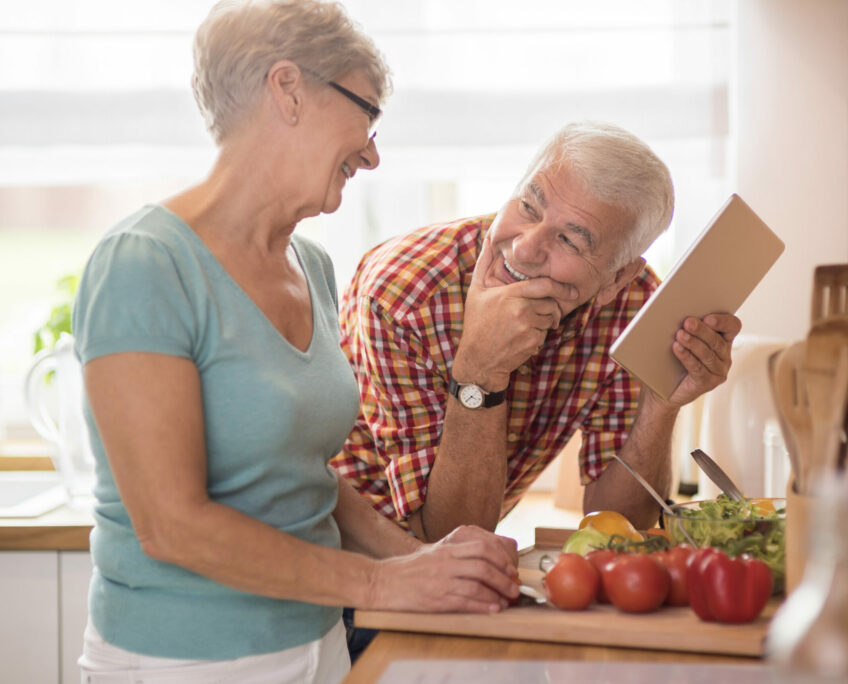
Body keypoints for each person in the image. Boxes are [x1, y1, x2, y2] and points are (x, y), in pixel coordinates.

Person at [71, 2, 519, 682]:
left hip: (316, 643)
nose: (373, 151)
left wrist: (412, 561)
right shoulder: (145, 263)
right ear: (288, 90)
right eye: (366, 113)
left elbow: (303, 475)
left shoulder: (311, 267)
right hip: (183, 661)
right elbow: (171, 524)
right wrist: (382, 588)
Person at [333, 121, 742, 543]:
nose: (525, 248)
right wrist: (479, 370)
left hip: (458, 567)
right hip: (342, 550)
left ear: (616, 279)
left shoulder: (633, 305)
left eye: (570, 240)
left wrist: (660, 404)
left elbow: (619, 527)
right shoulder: (403, 295)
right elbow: (445, 536)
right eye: (529, 207)